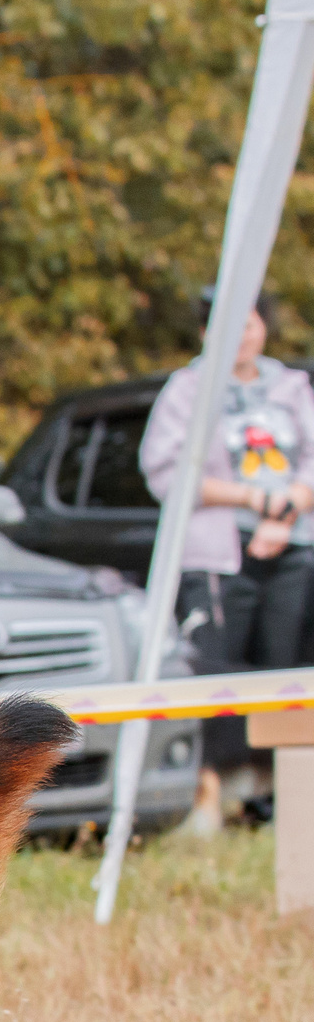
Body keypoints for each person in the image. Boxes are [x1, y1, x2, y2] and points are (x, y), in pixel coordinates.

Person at [138, 288, 314, 822]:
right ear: (206, 333)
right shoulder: (188, 390)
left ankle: (275, 796)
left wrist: (283, 514)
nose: (241, 335)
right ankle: (208, 793)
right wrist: (249, 498)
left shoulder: (291, 386)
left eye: (251, 323)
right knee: (217, 674)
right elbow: (165, 471)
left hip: (290, 545)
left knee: (284, 672)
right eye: (228, 325)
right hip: (218, 552)